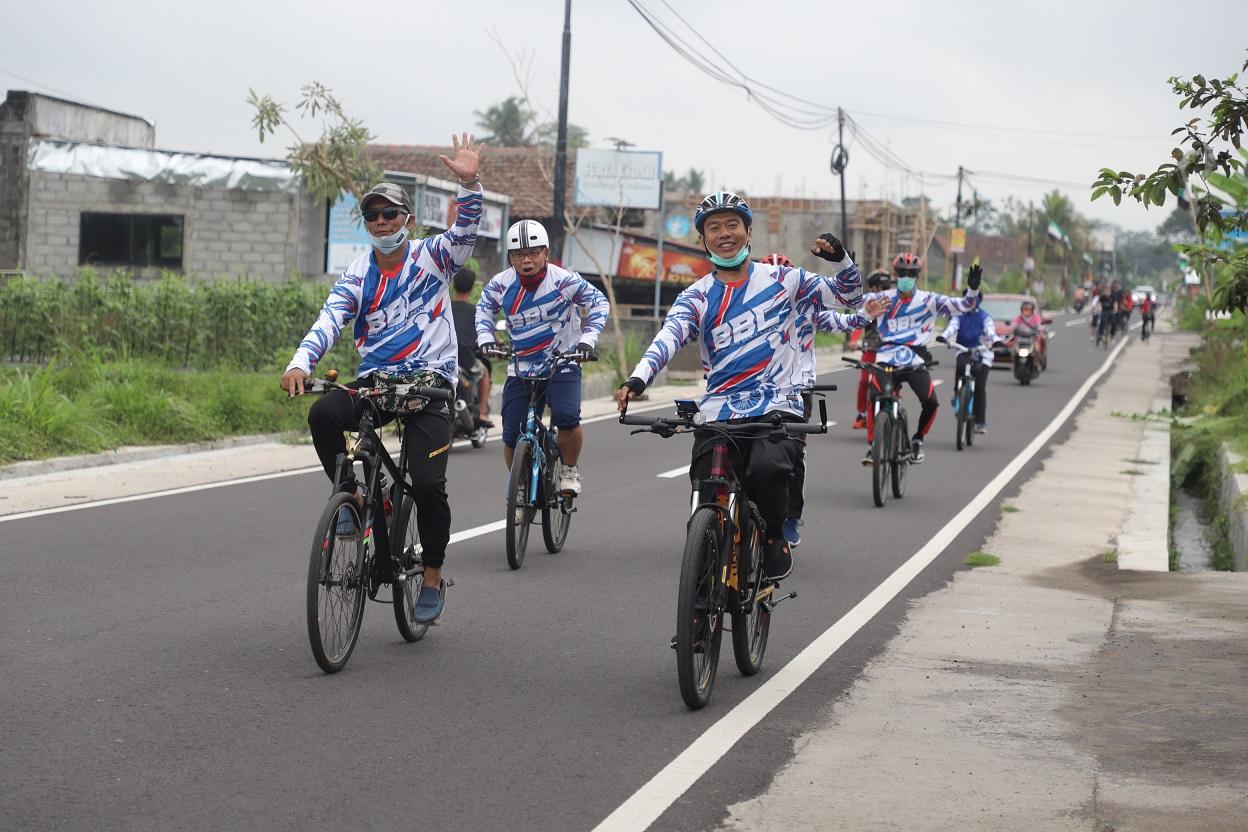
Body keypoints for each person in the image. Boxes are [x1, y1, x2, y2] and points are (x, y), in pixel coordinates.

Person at [280, 132, 485, 626]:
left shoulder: (434, 256)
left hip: (431, 386)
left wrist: (471, 184)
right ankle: (351, 494)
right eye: (372, 215)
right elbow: (330, 318)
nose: (380, 222)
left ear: (407, 221)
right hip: (376, 382)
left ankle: (431, 573)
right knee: (324, 412)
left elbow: (468, 232)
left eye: (390, 214)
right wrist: (300, 362)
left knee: (430, 485)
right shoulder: (357, 273)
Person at [616, 191, 866, 581]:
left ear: (749, 232)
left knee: (769, 470)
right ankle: (702, 575)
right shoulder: (696, 295)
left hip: (777, 405)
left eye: (733, 225)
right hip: (719, 409)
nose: (724, 233)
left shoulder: (786, 280)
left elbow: (850, 296)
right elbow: (669, 337)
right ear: (703, 240)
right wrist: (638, 377)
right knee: (705, 484)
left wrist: (843, 261)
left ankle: (771, 538)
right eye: (714, 228)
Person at [476, 219, 609, 496]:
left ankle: (570, 470)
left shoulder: (564, 281)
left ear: (546, 253)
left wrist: (586, 341)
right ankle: (520, 487)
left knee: (567, 417)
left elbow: (599, 303)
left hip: (563, 363)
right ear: (510, 258)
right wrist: (486, 339)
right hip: (521, 366)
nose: (527, 260)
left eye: (534, 252)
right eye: (519, 254)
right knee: (511, 433)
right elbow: (483, 310)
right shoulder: (500, 285)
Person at [761, 253, 886, 546]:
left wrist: (865, 314)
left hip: (797, 390)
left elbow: (843, 322)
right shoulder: (750, 310)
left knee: (792, 455)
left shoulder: (808, 307)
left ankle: (791, 517)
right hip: (754, 389)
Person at [859, 253, 983, 465]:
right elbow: (847, 301)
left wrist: (973, 289)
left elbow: (965, 306)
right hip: (886, 356)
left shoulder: (929, 300)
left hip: (916, 359)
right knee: (875, 398)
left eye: (911, 274)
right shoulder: (881, 298)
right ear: (896, 275)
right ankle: (873, 446)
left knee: (931, 402)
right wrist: (847, 274)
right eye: (903, 273)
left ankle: (917, 440)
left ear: (917, 276)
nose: (907, 277)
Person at [941, 291, 996, 433]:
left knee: (979, 387)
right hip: (964, 350)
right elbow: (952, 327)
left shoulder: (985, 317)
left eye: (975, 298)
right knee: (960, 366)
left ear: (979, 300)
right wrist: (944, 336)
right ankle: (957, 393)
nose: (972, 301)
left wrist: (996, 341)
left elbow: (990, 332)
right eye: (969, 298)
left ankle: (981, 422)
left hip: (982, 354)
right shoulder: (959, 315)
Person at [449, 267, 492, 427]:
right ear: (472, 288)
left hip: (446, 358)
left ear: (453, 285)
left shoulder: (445, 308)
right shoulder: (475, 312)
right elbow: (483, 335)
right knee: (485, 373)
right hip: (466, 359)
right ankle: (482, 413)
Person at [852, 271, 892, 430]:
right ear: (874, 288)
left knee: (894, 376)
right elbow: (858, 322)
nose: (883, 290)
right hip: (870, 346)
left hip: (890, 347)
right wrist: (854, 340)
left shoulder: (895, 302)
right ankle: (862, 414)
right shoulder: (867, 302)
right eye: (880, 287)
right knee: (864, 380)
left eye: (886, 287)